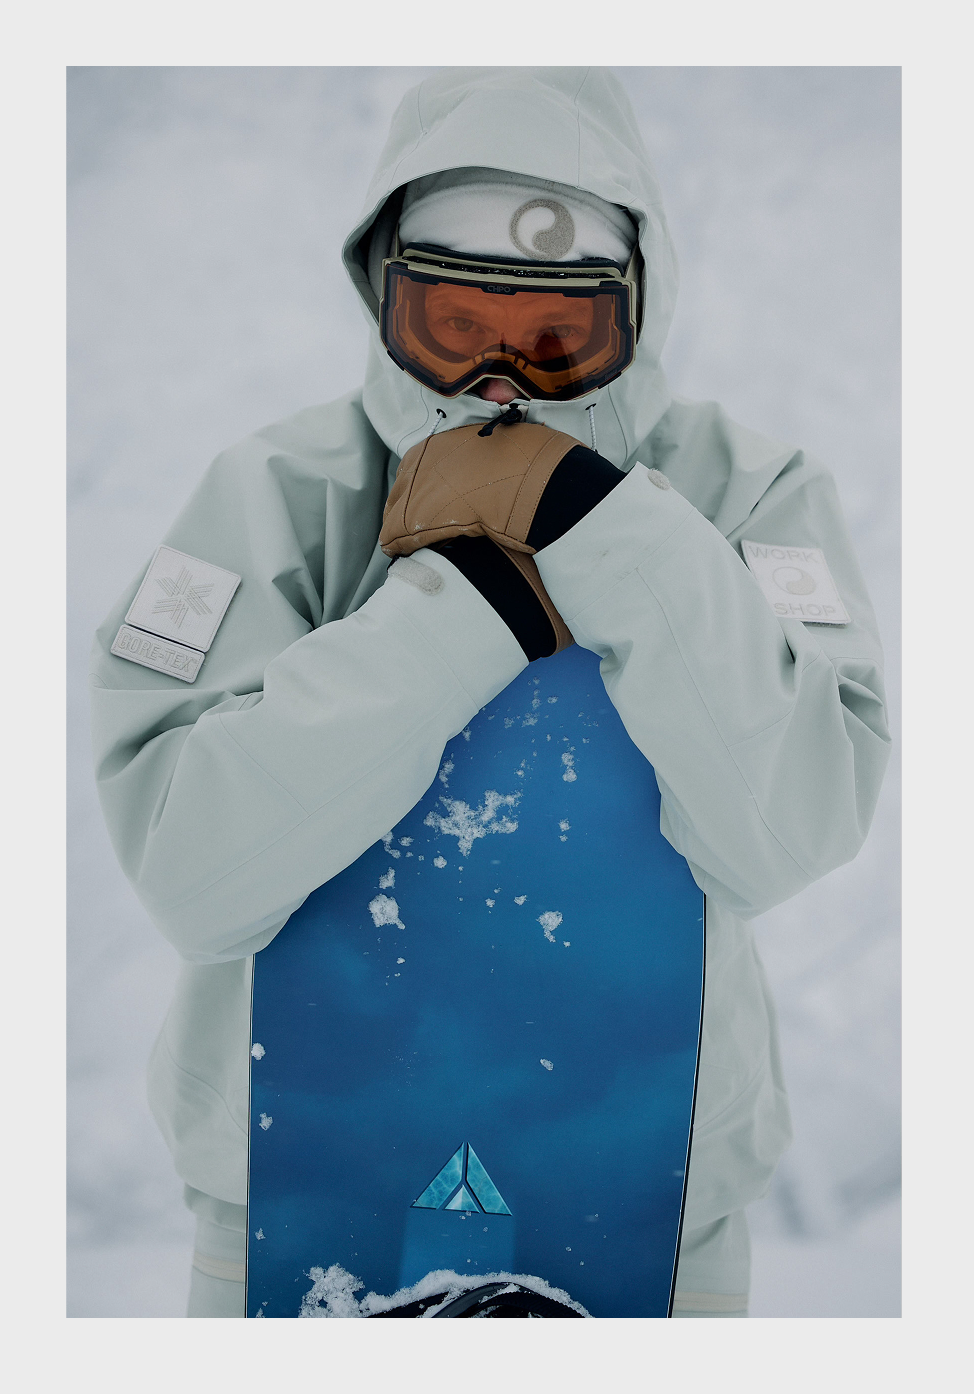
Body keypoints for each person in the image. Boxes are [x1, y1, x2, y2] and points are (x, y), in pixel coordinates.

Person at [90, 67, 890, 1318]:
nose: (499, 381)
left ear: (637, 307)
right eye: (452, 329)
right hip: (292, 1181)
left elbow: (783, 831)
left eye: (560, 336)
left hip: (653, 1199)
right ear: (381, 296)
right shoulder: (273, 496)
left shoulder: (748, 492)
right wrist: (465, 610)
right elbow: (193, 871)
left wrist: (609, 535)